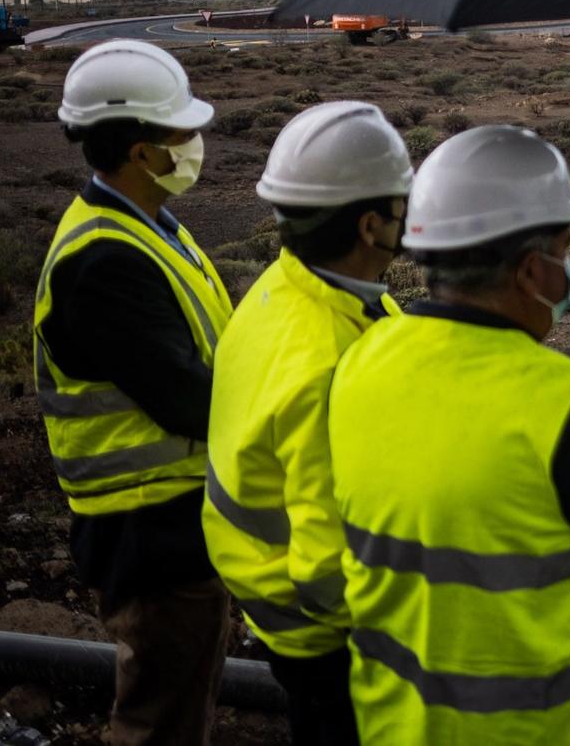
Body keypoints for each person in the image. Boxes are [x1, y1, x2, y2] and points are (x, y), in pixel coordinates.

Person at [327, 125, 570, 744]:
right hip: (546, 727)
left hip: (403, 722)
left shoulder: (363, 360)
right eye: (566, 248)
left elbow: (491, 447)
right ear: (532, 271)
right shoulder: (566, 406)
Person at [34, 39, 234, 745]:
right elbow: (189, 400)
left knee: (178, 708)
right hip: (150, 534)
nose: (195, 141)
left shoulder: (145, 226)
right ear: (143, 149)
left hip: (172, 521)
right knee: (156, 725)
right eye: (182, 129)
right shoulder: (105, 260)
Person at [203, 102, 413, 745]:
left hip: (274, 610)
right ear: (371, 225)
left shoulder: (281, 290)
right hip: (328, 639)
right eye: (401, 204)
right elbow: (327, 567)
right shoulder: (328, 359)